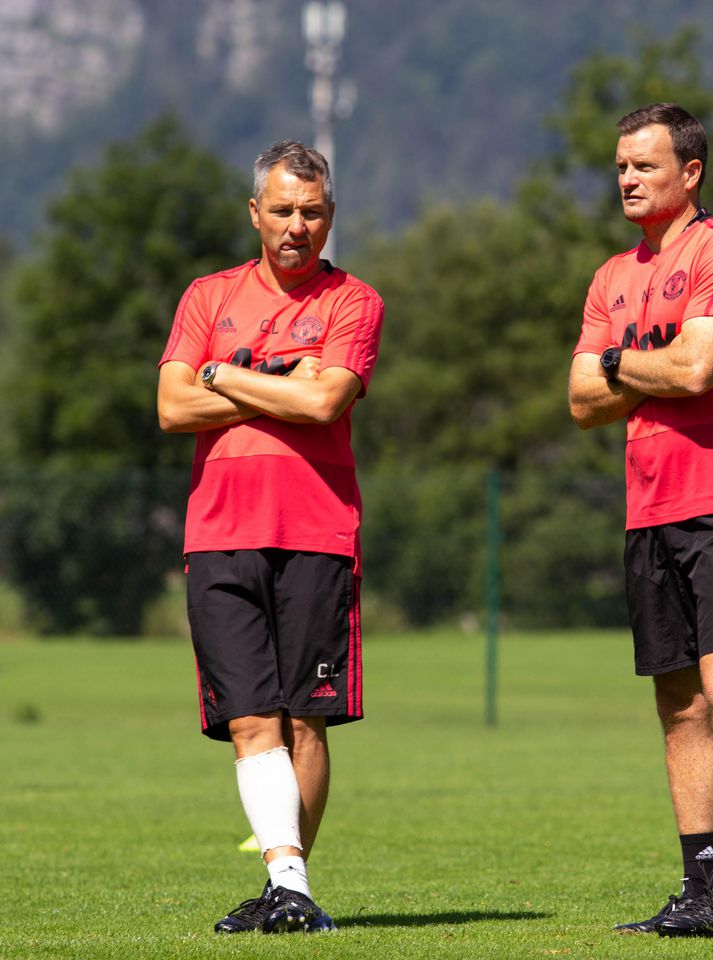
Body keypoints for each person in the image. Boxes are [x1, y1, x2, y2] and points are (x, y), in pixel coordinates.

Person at [568, 102, 713, 938]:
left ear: (690, 173)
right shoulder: (610, 277)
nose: (627, 178)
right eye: (621, 165)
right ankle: (697, 881)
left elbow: (699, 368)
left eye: (645, 165)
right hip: (649, 505)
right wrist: (633, 368)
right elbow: (581, 402)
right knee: (676, 700)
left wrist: (611, 361)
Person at [157, 140, 383, 935]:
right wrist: (280, 385)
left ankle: (291, 888)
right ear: (255, 212)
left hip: (317, 531)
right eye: (282, 210)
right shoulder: (207, 296)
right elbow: (173, 406)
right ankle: (289, 885)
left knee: (303, 719)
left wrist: (220, 375)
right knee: (250, 720)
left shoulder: (355, 301)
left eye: (312, 212)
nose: (297, 226)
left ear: (331, 215)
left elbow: (326, 407)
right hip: (219, 531)